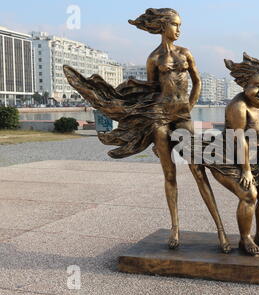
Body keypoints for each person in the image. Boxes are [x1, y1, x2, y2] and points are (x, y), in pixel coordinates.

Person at [63, 8, 231, 253]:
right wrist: (145, 123)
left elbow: (198, 81)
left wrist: (189, 107)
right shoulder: (153, 58)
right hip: (160, 116)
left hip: (182, 116)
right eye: (175, 24)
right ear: (163, 26)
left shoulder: (186, 53)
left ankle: (221, 231)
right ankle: (175, 228)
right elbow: (152, 89)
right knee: (169, 174)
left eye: (179, 25)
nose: (179, 30)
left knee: (198, 170)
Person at [204, 53, 259, 256]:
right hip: (228, 156)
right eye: (257, 86)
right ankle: (245, 237)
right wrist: (246, 171)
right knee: (249, 194)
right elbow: (239, 140)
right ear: (244, 85)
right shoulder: (238, 107)